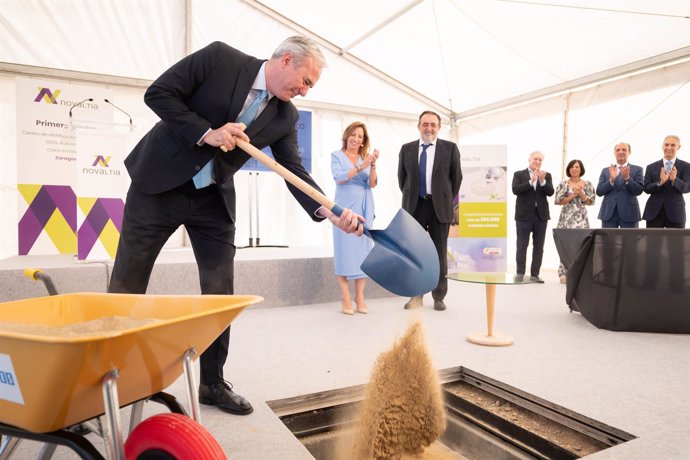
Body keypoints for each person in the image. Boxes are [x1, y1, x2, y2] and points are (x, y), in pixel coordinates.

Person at [108, 37, 364, 416]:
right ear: (287, 60)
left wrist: (331, 211)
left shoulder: (285, 115)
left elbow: (293, 170)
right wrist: (205, 132)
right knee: (129, 282)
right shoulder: (220, 59)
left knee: (219, 292)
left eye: (310, 87)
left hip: (212, 198)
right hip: (158, 184)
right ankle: (107, 375)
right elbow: (159, 93)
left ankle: (212, 382)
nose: (305, 91)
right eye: (306, 81)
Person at [398, 110, 462, 311]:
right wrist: (412, 196)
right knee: (415, 252)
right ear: (419, 126)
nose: (429, 128)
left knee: (439, 252)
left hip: (439, 207)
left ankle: (439, 296)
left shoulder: (450, 149)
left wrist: (444, 199)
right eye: (425, 124)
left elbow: (456, 178)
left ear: (439, 127)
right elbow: (402, 179)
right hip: (415, 206)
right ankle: (415, 295)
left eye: (433, 124)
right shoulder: (406, 149)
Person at [331, 122, 379, 315]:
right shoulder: (337, 156)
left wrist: (372, 165)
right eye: (353, 134)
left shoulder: (365, 158)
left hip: (364, 208)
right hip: (343, 207)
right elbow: (339, 178)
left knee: (363, 252)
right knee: (343, 250)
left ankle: (360, 297)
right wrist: (362, 166)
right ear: (347, 136)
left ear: (363, 141)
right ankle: (345, 298)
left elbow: (373, 183)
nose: (356, 138)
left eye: (360, 136)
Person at [512, 151, 554, 283]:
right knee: (522, 245)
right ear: (529, 159)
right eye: (535, 159)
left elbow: (550, 192)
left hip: (541, 216)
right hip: (523, 215)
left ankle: (535, 275)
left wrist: (542, 181)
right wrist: (531, 181)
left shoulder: (547, 175)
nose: (537, 162)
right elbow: (515, 190)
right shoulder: (519, 174)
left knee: (539, 246)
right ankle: (520, 273)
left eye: (540, 160)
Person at [554, 159, 595, 283]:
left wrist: (581, 194)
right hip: (566, 217)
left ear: (581, 169)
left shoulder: (587, 184)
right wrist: (573, 195)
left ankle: (579, 272)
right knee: (565, 244)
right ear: (569, 170)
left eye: (577, 167)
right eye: (572, 167)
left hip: (580, 218)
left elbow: (591, 201)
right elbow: (558, 201)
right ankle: (564, 273)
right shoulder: (563, 184)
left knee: (580, 244)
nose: (574, 169)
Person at [642, 135, 690, 228]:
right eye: (666, 145)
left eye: (673, 145)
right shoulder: (651, 167)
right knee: (653, 242)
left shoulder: (686, 166)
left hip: (676, 213)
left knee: (676, 242)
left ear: (678, 147)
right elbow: (646, 188)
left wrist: (675, 180)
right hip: (654, 213)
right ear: (662, 146)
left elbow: (687, 187)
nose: (669, 148)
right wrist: (660, 182)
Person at [596, 143, 644, 228]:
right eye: (618, 150)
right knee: (608, 241)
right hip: (608, 213)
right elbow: (599, 191)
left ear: (629, 152)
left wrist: (627, 179)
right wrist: (611, 180)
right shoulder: (606, 170)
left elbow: (639, 190)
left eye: (624, 149)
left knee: (630, 241)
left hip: (629, 213)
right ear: (614, 153)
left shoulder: (637, 169)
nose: (620, 152)